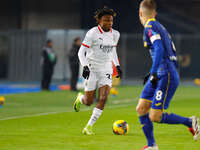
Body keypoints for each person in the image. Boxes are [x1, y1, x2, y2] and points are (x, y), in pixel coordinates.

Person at [136, 0, 200, 150]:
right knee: (141, 108)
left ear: (140, 13)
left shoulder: (150, 26)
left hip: (165, 75)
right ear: (155, 13)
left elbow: (159, 49)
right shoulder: (159, 26)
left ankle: (190, 122)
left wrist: (153, 72)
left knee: (155, 116)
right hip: (162, 72)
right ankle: (152, 146)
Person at [73, 7, 122, 135]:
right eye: (106, 20)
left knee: (104, 98)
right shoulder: (92, 33)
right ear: (99, 21)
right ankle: (81, 98)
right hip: (92, 67)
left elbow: (113, 51)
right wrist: (85, 66)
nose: (109, 23)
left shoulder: (115, 34)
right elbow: (81, 52)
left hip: (106, 68)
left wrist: (117, 66)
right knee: (89, 102)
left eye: (111, 21)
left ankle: (89, 127)